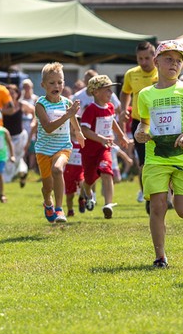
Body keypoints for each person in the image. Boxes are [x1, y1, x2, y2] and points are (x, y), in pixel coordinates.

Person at [134, 40, 183, 267]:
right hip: (156, 157)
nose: (174, 64)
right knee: (157, 206)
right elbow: (144, 123)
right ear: (156, 62)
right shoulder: (145, 94)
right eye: (169, 59)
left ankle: (177, 184)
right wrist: (140, 133)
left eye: (178, 61)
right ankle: (160, 256)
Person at [34, 62, 84, 223]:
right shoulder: (40, 104)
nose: (56, 86)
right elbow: (48, 128)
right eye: (52, 83)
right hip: (43, 150)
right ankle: (48, 202)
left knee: (57, 170)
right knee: (47, 187)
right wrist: (67, 115)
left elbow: (73, 120)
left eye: (60, 82)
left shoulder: (66, 102)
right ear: (43, 85)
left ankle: (59, 209)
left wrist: (79, 132)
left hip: (63, 147)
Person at [79, 75, 127, 218]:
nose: (111, 93)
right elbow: (84, 130)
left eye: (111, 90)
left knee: (107, 172)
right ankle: (87, 193)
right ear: (95, 92)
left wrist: (121, 135)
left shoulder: (110, 107)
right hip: (90, 151)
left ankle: (108, 205)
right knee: (89, 180)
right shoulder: (91, 109)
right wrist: (100, 138)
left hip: (104, 148)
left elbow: (112, 121)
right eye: (107, 90)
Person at [120, 41, 158, 204]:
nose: (143, 62)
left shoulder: (162, 73)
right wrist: (123, 109)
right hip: (139, 122)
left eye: (146, 58)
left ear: (154, 57)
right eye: (140, 59)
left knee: (163, 160)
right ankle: (147, 195)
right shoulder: (131, 74)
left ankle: (167, 196)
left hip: (160, 122)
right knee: (143, 162)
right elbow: (125, 93)